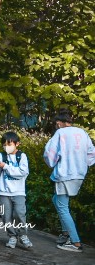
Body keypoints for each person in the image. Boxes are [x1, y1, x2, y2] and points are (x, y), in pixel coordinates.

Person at [43, 108, 95, 252]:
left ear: (59, 123)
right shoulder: (82, 133)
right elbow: (92, 153)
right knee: (58, 201)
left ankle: (75, 242)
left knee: (62, 207)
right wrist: (84, 164)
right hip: (79, 173)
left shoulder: (60, 133)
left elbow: (49, 154)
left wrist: (52, 164)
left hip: (65, 174)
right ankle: (66, 233)